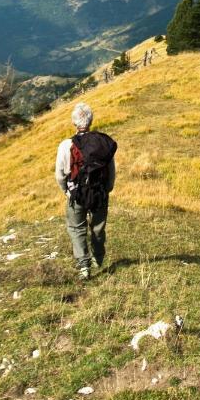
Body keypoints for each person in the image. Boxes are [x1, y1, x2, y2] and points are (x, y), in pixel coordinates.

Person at [55, 102, 117, 280]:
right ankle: (98, 257)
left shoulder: (66, 145)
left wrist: (66, 191)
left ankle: (84, 266)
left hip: (76, 194)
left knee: (76, 228)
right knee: (98, 227)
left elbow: (60, 175)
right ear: (91, 121)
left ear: (74, 123)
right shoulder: (103, 143)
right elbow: (111, 170)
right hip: (100, 192)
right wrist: (107, 189)